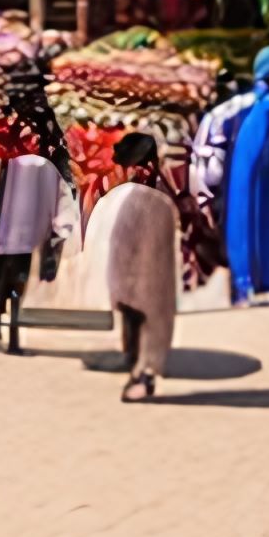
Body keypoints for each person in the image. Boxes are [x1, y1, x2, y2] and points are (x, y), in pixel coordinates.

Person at [92, 131, 182, 401]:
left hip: (140, 245)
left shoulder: (134, 182)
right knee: (136, 307)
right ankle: (135, 361)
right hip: (138, 247)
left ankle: (139, 367)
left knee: (137, 308)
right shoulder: (149, 179)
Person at [204, 46, 269, 303]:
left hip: (241, 244)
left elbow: (208, 171)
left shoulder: (238, 113)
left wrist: (209, 201)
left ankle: (247, 283)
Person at [0, 104, 69, 353]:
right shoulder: (47, 167)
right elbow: (62, 207)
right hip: (31, 242)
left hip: (2, 240)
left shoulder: (2, 165)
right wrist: (60, 234)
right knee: (18, 290)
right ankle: (11, 336)